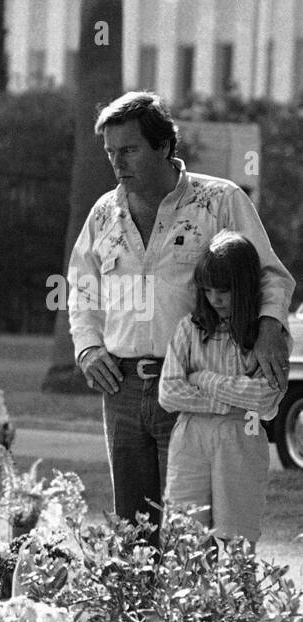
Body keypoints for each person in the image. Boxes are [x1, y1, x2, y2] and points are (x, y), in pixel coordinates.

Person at [67, 91, 293, 533]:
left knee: (190, 534)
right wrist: (88, 349)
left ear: (164, 146)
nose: (118, 162)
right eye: (111, 152)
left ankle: (197, 605)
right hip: (123, 390)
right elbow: (81, 289)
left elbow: (271, 276)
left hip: (192, 388)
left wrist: (269, 328)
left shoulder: (220, 202)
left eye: (129, 150)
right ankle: (135, 606)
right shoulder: (102, 214)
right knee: (134, 535)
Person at [158, 231, 282, 548]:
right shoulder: (190, 328)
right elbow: (169, 392)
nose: (216, 299)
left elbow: (265, 399)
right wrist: (230, 403)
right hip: (190, 439)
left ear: (244, 287)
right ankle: (190, 601)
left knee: (238, 542)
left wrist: (203, 379)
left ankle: (239, 600)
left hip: (243, 438)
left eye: (224, 290)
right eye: (208, 290)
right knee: (185, 542)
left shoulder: (265, 337)